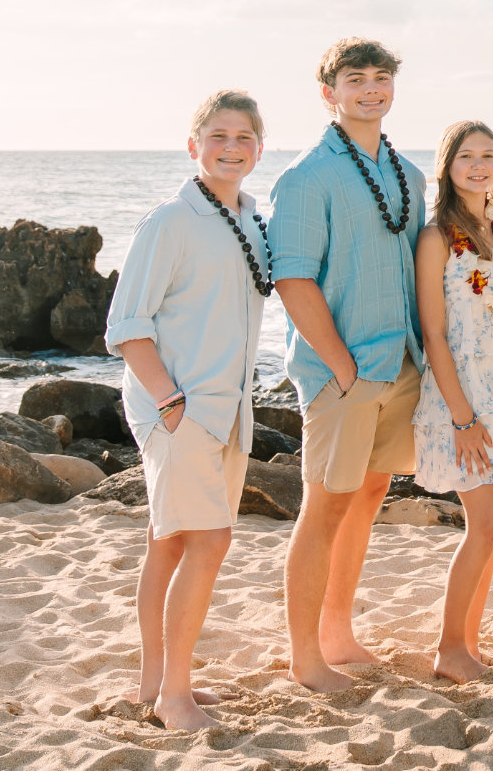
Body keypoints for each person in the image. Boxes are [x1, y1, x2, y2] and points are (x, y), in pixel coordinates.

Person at [105, 90, 272, 730]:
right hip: (180, 408)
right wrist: (172, 404)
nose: (231, 148)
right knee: (210, 541)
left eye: (244, 138)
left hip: (226, 410)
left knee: (168, 544)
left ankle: (156, 686)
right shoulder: (169, 221)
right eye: (218, 136)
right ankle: (175, 697)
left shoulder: (252, 221)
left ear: (259, 148)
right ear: (193, 143)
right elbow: (126, 325)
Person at [270, 38, 428, 692]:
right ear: (329, 92)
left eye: (380, 77)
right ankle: (306, 656)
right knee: (325, 506)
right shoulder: (307, 177)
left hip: (401, 364)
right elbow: (294, 279)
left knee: (367, 497)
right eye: (355, 78)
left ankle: (338, 630)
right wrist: (340, 367)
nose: (370, 88)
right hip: (344, 370)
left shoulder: (410, 176)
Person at [411, 119, 493, 682]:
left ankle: (467, 642)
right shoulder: (437, 236)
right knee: (484, 524)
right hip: (462, 398)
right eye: (467, 155)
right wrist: (463, 418)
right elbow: (434, 335)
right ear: (448, 166)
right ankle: (448, 650)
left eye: (490, 155)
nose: (480, 165)